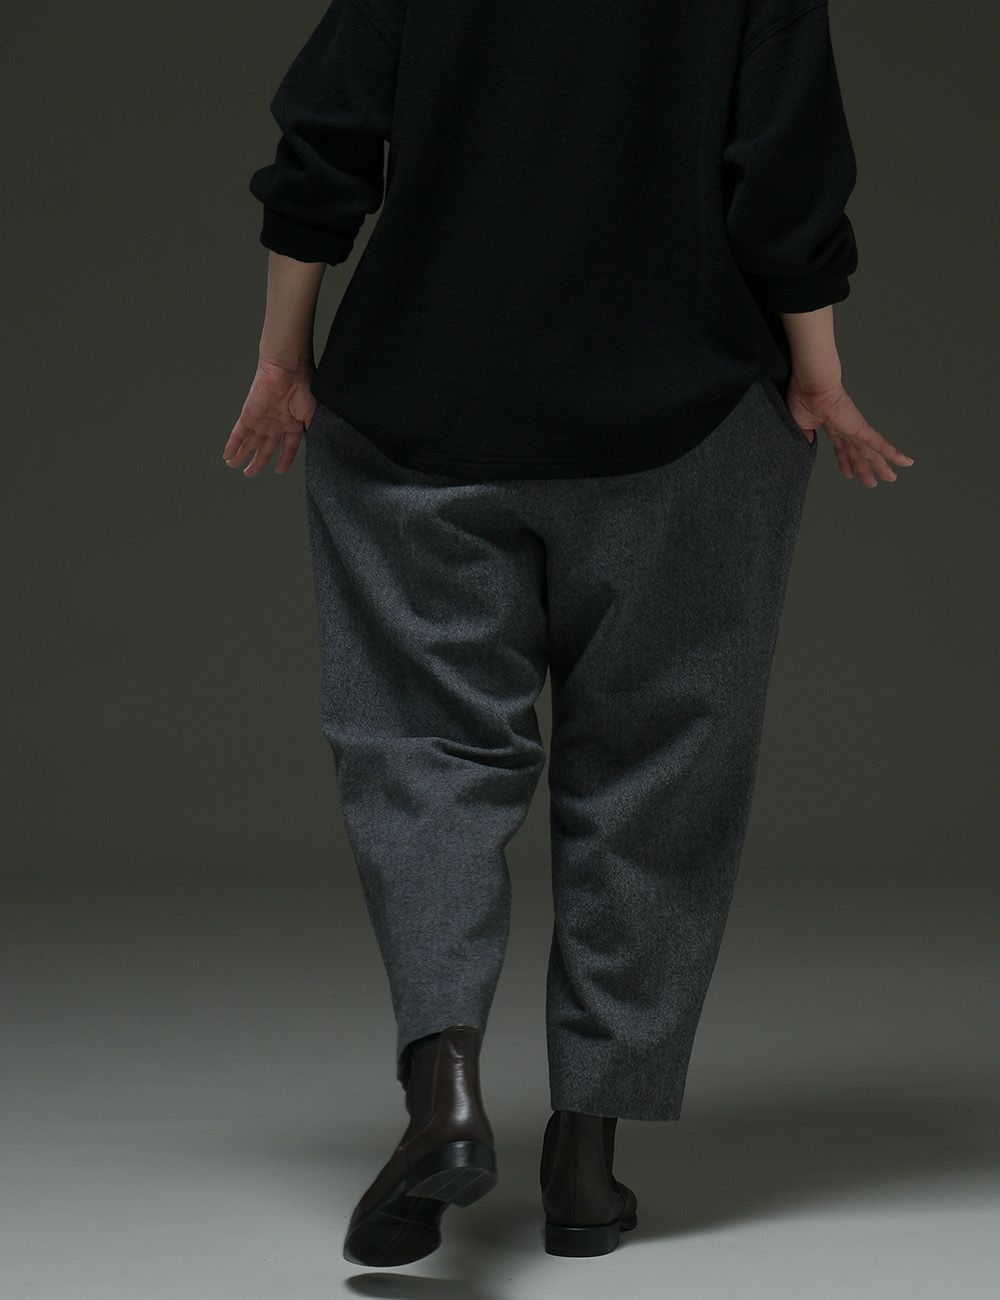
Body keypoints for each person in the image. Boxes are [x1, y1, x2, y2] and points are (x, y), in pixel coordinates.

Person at [224, 0, 913, 1267]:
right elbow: (786, 176)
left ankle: (444, 1091)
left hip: (418, 407)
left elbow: (323, 140)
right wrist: (817, 373)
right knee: (658, 777)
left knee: (421, 754)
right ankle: (586, 1161)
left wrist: (283, 355)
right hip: (682, 419)